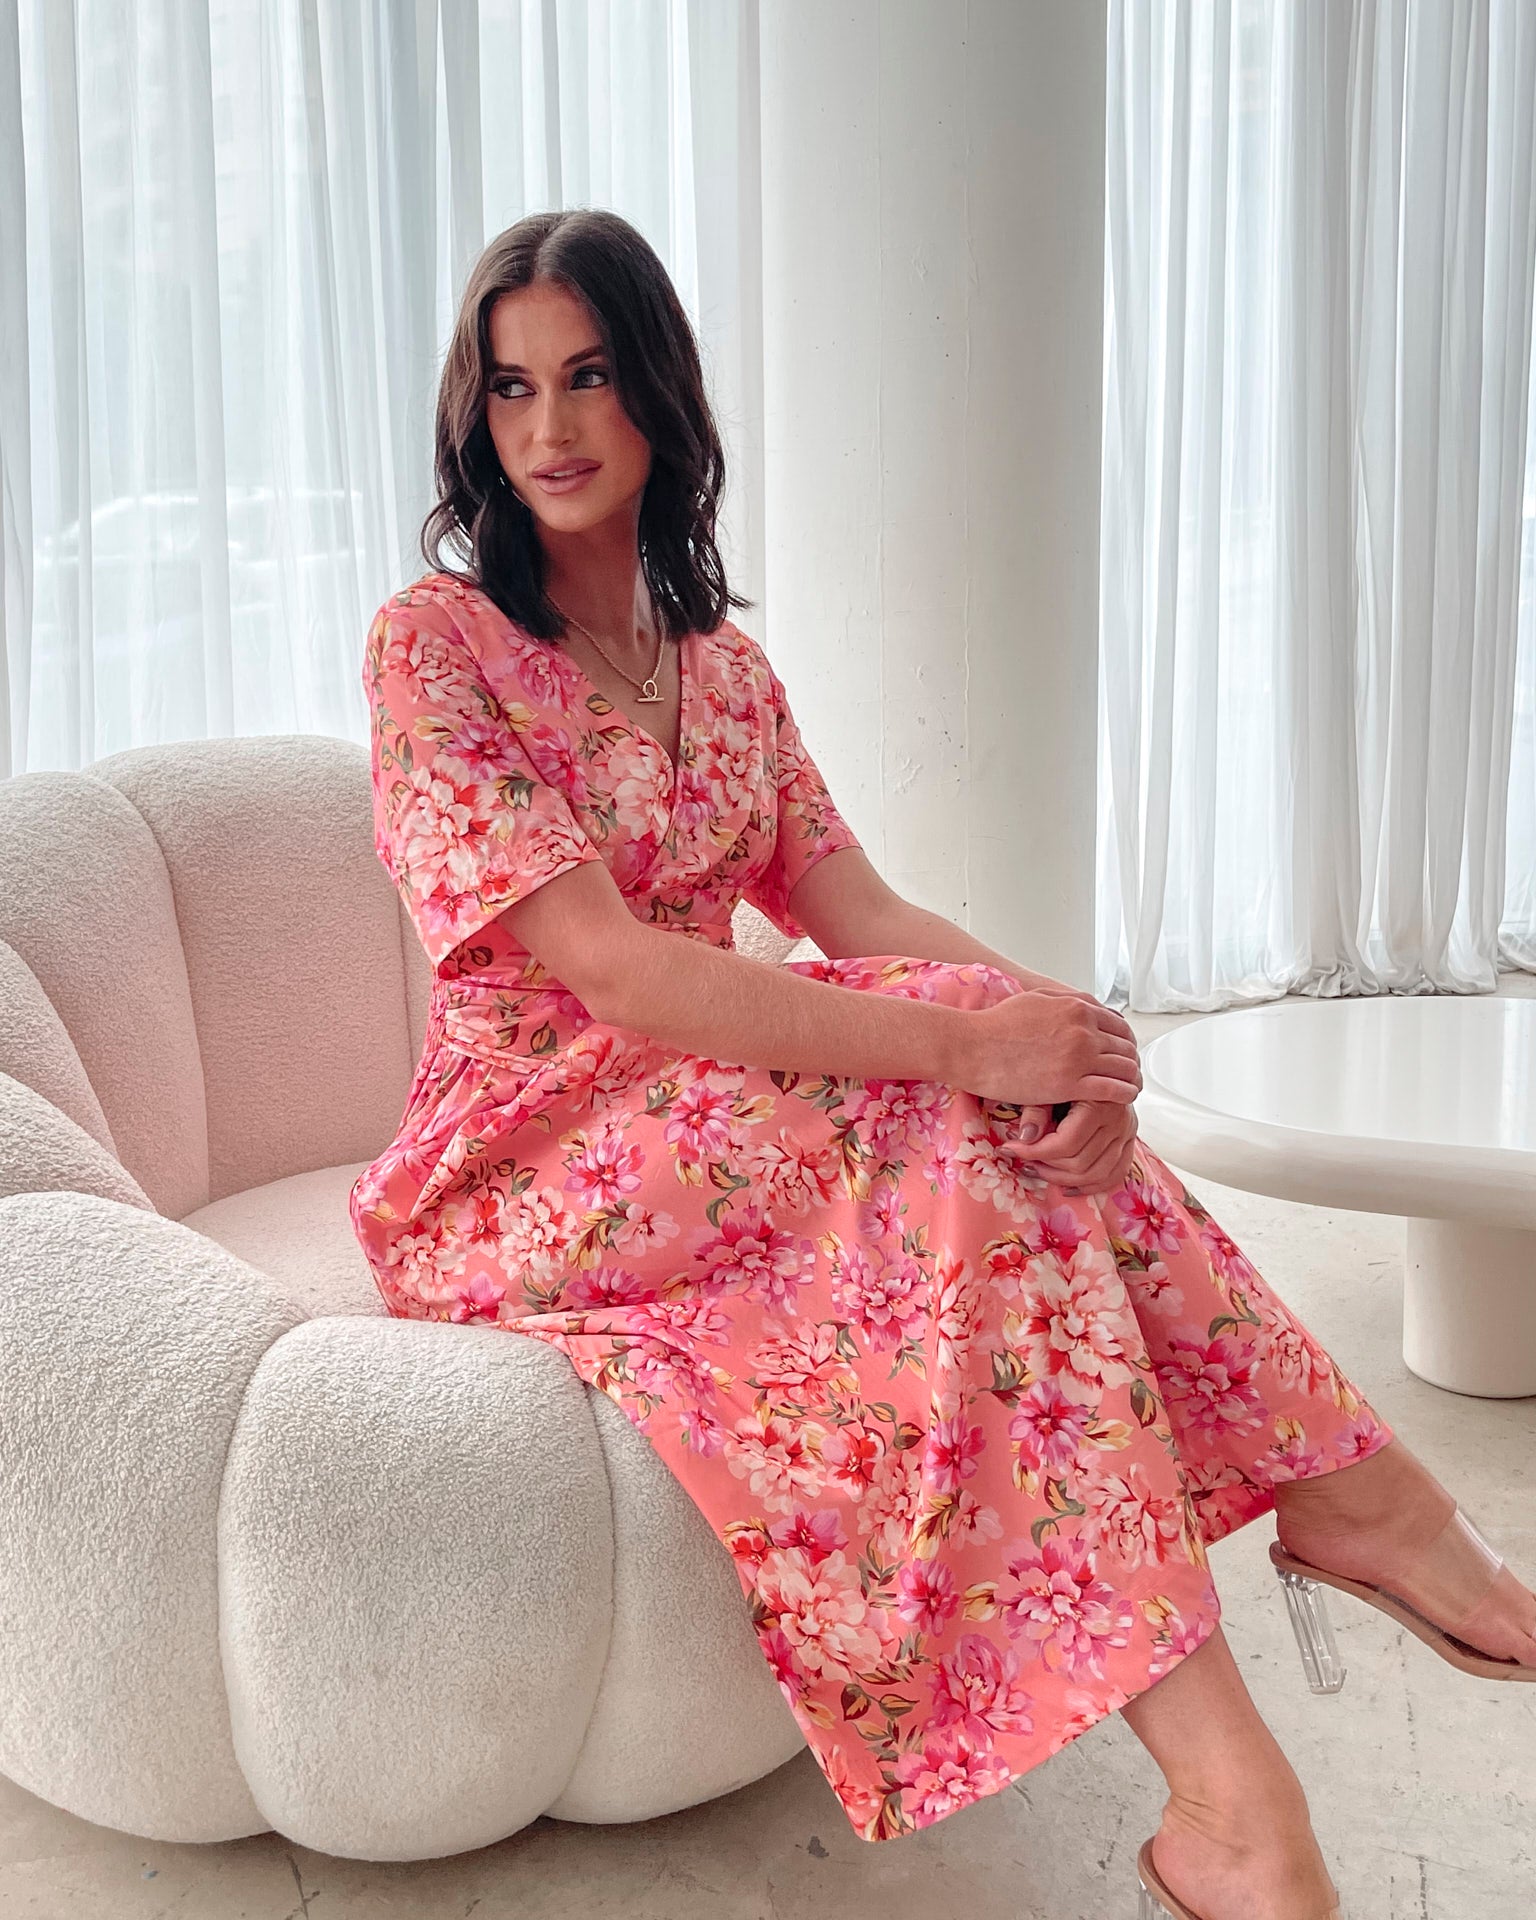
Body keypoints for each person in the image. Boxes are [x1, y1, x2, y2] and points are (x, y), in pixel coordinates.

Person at [348, 208, 1536, 1920]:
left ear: (658, 397)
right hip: (525, 1161)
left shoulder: (723, 673)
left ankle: (1242, 1788)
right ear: (475, 416)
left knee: (1009, 1125)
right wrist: (978, 1044)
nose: (550, 428)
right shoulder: (434, 648)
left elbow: (857, 902)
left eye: (591, 376)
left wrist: (1076, 1037)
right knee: (947, 1092)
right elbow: (611, 975)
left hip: (704, 1121)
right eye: (514, 386)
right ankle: (1351, 1532)